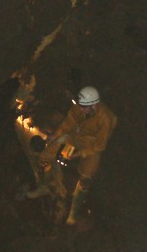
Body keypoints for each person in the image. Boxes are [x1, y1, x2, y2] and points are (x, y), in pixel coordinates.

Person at [27, 86, 117, 225]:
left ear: (94, 105)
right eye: (80, 106)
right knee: (49, 154)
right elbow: (69, 121)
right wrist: (55, 136)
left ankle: (73, 211)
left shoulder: (107, 119)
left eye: (83, 107)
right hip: (74, 138)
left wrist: (77, 155)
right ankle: (44, 184)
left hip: (91, 146)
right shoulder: (80, 107)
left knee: (87, 174)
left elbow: (99, 146)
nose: (80, 109)